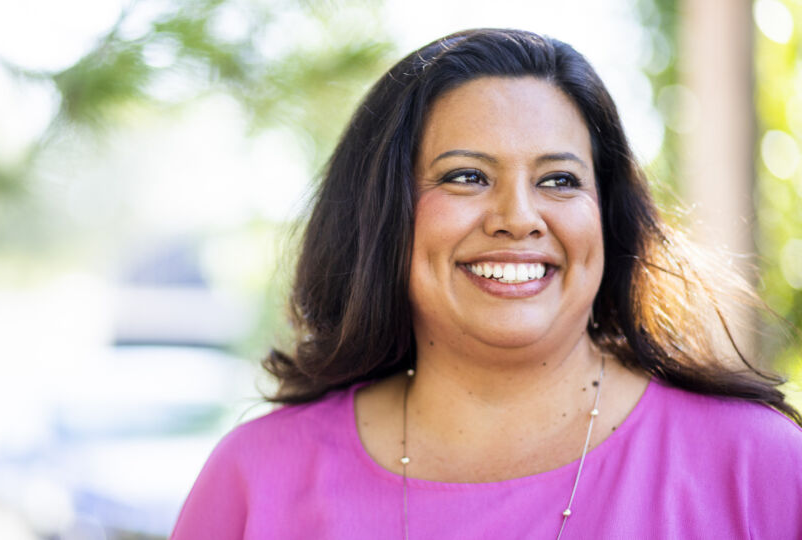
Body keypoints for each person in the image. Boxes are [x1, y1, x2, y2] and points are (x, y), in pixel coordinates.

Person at [171, 28, 802, 539]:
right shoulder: (258, 478)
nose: (518, 218)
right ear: (384, 213)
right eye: (467, 176)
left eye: (558, 180)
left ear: (607, 218)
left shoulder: (759, 465)